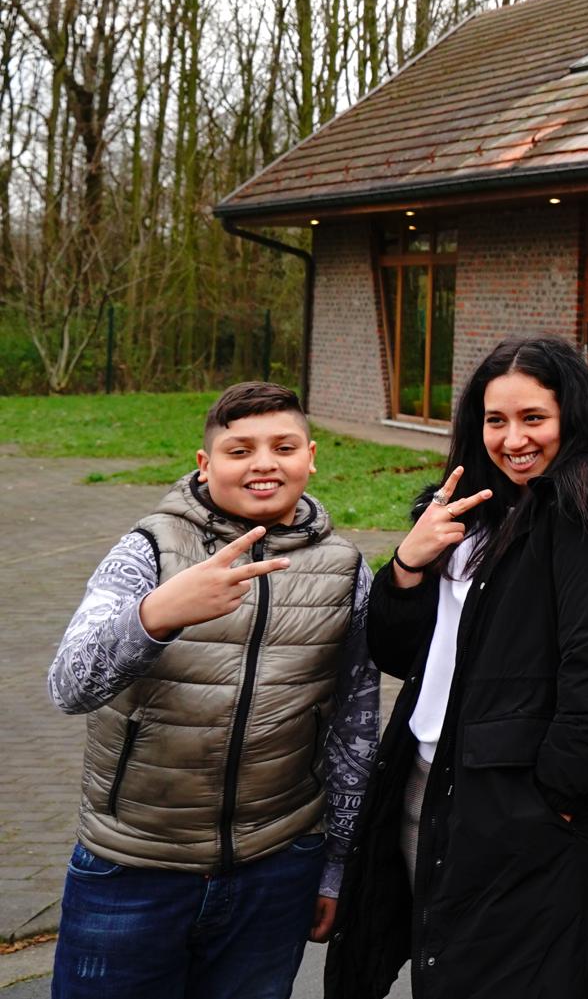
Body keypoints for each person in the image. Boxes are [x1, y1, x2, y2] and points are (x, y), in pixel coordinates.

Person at [326, 336, 588, 999]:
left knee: (506, 973)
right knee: (444, 964)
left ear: (571, 414)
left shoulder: (585, 504)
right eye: (495, 419)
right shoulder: (463, 511)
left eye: (533, 418)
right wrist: (407, 563)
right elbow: (397, 652)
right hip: (426, 775)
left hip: (517, 797)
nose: (512, 439)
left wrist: (559, 795)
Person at [47, 381, 378, 999]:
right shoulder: (149, 547)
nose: (263, 463)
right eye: (239, 449)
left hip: (277, 868)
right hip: (133, 867)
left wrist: (336, 864)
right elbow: (69, 686)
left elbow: (355, 728)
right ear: (205, 464)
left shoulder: (345, 568)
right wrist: (156, 616)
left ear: (311, 456)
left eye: (283, 446)